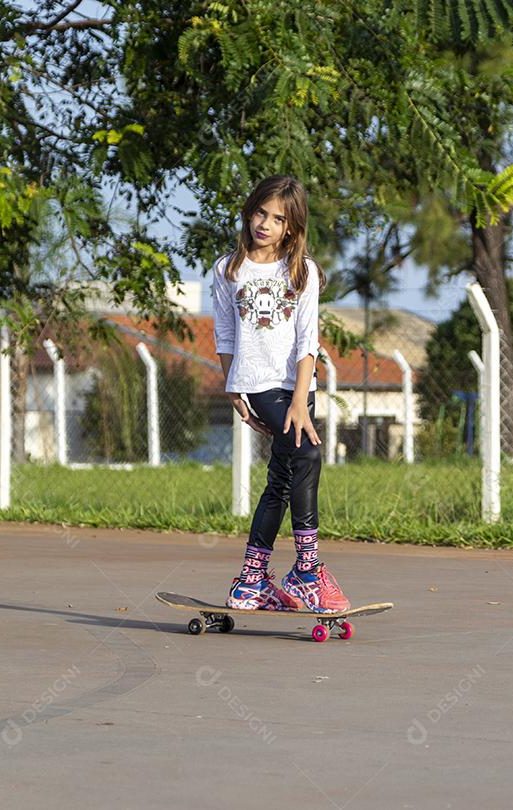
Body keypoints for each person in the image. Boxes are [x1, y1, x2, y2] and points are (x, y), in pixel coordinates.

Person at [211, 175, 350, 613]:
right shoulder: (228, 269)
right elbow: (225, 335)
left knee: (283, 479)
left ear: (291, 226)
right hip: (256, 382)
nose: (265, 224)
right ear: (249, 212)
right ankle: (307, 570)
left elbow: (308, 340)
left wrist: (299, 400)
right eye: (260, 213)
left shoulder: (302, 271)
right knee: (308, 453)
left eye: (277, 218)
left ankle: (251, 582)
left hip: (297, 387)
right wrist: (233, 389)